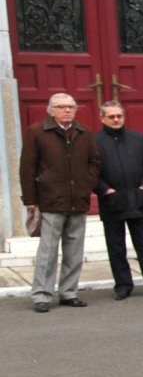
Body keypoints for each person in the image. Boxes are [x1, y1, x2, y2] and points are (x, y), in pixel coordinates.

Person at [19, 92, 100, 313]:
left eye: (71, 107)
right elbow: (27, 167)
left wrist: (86, 183)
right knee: (48, 251)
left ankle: (69, 292)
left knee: (74, 250)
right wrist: (30, 199)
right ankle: (42, 295)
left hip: (78, 199)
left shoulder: (83, 132)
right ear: (51, 110)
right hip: (50, 200)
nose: (67, 110)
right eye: (62, 106)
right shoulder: (36, 131)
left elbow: (94, 161)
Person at [94, 100, 143, 300]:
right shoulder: (95, 141)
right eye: (111, 116)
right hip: (112, 201)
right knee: (116, 246)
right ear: (102, 118)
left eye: (119, 116)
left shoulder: (137, 138)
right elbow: (90, 171)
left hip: (136, 199)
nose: (116, 119)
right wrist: (105, 190)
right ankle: (123, 285)